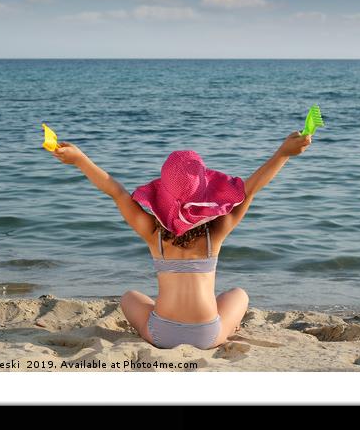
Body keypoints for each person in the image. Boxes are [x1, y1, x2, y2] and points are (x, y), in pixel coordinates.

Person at [51, 131, 313, 349]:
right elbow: (251, 188)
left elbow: (116, 191)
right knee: (238, 295)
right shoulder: (216, 233)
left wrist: (80, 160)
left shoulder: (154, 235)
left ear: (163, 196)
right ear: (205, 197)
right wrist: (283, 154)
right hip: (208, 335)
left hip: (161, 333)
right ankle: (229, 329)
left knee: (130, 296)